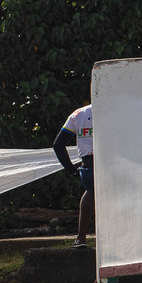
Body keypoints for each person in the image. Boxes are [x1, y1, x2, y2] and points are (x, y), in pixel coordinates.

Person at [52, 103, 93, 249]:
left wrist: (72, 170)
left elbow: (58, 145)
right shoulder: (116, 109)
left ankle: (81, 238)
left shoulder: (78, 114)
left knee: (90, 192)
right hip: (110, 165)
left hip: (88, 169)